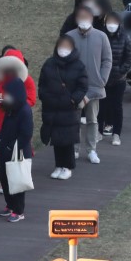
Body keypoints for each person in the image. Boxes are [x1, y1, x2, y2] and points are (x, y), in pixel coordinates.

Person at [38, 34, 88, 181]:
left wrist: (73, 100)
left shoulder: (79, 66)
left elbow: (83, 86)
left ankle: (68, 167)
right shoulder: (49, 64)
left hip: (68, 110)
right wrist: (45, 97)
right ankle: (58, 165)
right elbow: (42, 84)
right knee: (56, 140)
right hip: (52, 108)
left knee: (67, 140)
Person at [66, 8, 112, 164]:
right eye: (81, 16)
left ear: (92, 18)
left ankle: (92, 150)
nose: (83, 19)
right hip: (75, 88)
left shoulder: (101, 36)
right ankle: (74, 148)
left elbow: (107, 60)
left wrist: (102, 79)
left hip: (94, 86)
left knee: (93, 120)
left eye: (86, 16)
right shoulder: (69, 37)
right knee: (74, 119)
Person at [0, 48, 37, 170]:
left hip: (18, 116)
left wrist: (16, 102)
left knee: (18, 142)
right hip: (1, 116)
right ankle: (3, 172)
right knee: (2, 143)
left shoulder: (27, 80)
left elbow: (31, 99)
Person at [0, 77, 33, 223]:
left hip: (18, 153)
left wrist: (10, 147)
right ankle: (10, 205)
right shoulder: (11, 109)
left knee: (16, 181)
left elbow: (26, 134)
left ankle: (19, 211)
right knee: (4, 179)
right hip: (6, 150)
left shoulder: (24, 110)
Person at [100, 11, 131, 145]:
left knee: (117, 106)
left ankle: (116, 134)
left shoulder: (125, 38)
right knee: (101, 106)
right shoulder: (101, 36)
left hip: (118, 79)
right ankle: (99, 132)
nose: (111, 25)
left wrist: (121, 71)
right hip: (103, 78)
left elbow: (129, 56)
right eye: (109, 22)